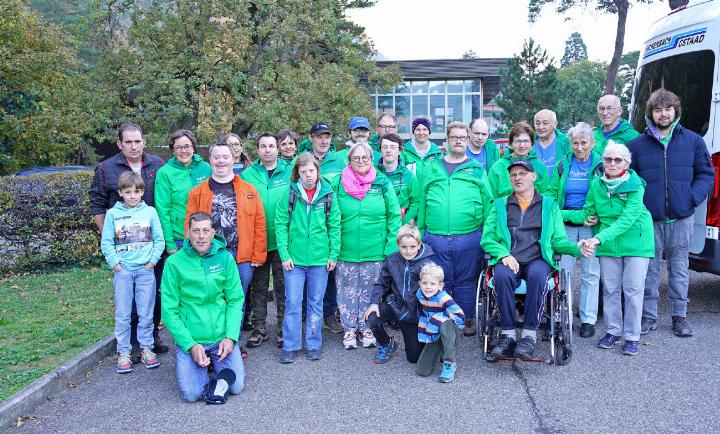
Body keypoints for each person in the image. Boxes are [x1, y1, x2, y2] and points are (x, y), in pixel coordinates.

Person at [628, 88, 715, 337]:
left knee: (679, 268)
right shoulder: (637, 145)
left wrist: (691, 198)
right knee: (650, 269)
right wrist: (640, 205)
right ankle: (649, 317)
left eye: (668, 109)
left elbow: (707, 174)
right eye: (658, 109)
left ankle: (680, 317)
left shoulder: (693, 141)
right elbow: (629, 180)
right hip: (649, 219)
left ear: (675, 111)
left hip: (681, 217)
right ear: (651, 113)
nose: (663, 114)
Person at [481, 160, 584, 360]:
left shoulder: (549, 205)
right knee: (501, 275)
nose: (518, 178)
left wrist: (575, 248)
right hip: (509, 258)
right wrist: (503, 254)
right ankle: (508, 335)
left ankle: (528, 336)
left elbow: (558, 240)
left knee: (538, 275)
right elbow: (487, 238)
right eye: (513, 175)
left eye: (522, 173)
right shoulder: (501, 204)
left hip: (538, 258)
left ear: (533, 177)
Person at [564, 143, 655, 355]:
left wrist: (597, 238)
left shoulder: (635, 185)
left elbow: (627, 220)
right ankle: (613, 331)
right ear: (602, 161)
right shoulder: (597, 184)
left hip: (636, 242)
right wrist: (553, 212)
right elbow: (587, 212)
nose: (612, 164)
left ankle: (632, 336)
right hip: (608, 243)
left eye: (617, 160)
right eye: (608, 159)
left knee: (633, 290)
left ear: (626, 163)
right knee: (610, 289)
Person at [89, 122, 166, 359]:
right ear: (120, 144)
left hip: (151, 244)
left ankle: (150, 338)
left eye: (137, 141)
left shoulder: (157, 165)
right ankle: (129, 343)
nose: (134, 146)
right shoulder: (106, 168)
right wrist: (108, 238)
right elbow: (97, 202)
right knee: (126, 300)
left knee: (152, 294)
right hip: (124, 249)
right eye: (128, 142)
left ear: (144, 141)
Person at [185, 141, 267, 356]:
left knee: (235, 300)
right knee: (211, 298)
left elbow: (259, 223)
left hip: (241, 256)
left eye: (225, 157)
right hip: (211, 255)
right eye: (216, 157)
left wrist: (258, 253)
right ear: (210, 160)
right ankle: (211, 343)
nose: (221, 161)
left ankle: (233, 342)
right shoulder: (197, 193)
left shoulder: (249, 190)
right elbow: (190, 225)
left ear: (233, 159)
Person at [417, 121, 492, 337]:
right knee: (439, 280)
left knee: (466, 281)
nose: (458, 140)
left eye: (462, 137)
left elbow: (488, 204)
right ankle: (441, 319)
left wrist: (487, 235)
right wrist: (421, 232)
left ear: (467, 140)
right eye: (454, 137)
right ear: (447, 141)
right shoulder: (432, 167)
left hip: (468, 237)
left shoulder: (477, 170)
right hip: (435, 237)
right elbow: (423, 201)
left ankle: (466, 318)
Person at [161, 212, 245, 402]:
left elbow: (235, 300)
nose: (201, 236)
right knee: (192, 394)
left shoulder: (225, 258)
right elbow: (169, 311)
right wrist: (190, 345)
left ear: (213, 233)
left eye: (206, 231)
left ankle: (214, 370)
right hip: (193, 339)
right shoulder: (174, 263)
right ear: (188, 233)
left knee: (237, 386)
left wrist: (231, 337)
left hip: (220, 337)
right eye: (196, 231)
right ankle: (203, 369)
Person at [333, 142, 401, 350]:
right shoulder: (338, 182)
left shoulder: (381, 182)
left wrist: (391, 248)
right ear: (349, 161)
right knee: (346, 291)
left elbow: (394, 215)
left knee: (371, 291)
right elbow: (332, 217)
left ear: (372, 160)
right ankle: (349, 329)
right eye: (356, 158)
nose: (361, 162)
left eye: (365, 158)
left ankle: (368, 327)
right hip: (346, 248)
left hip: (375, 249)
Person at [274, 153, 341, 363]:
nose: (308, 175)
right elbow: (280, 225)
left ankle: (314, 343)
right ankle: (290, 345)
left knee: (315, 303)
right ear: (298, 173)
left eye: (311, 171)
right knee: (293, 303)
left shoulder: (328, 194)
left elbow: (335, 227)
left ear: (317, 171)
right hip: (294, 260)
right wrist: (284, 254)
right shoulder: (290, 194)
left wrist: (333, 255)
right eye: (303, 172)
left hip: (320, 260)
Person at [101, 171, 164, 373]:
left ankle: (146, 348)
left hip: (146, 271)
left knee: (146, 313)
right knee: (123, 314)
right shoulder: (112, 214)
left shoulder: (150, 212)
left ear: (142, 192)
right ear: (120, 193)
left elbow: (159, 240)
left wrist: (151, 262)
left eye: (137, 192)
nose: (133, 196)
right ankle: (124, 351)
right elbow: (107, 243)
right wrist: (117, 265)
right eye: (128, 192)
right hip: (124, 272)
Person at [546, 122, 603, 338]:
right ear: (570, 143)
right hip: (565, 223)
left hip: (591, 224)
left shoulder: (600, 164)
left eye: (584, 143)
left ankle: (588, 319)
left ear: (592, 143)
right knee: (563, 272)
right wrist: (563, 214)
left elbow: (605, 193)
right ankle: (562, 315)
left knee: (590, 272)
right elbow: (551, 193)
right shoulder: (563, 164)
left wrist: (596, 214)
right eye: (575, 143)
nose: (579, 147)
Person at [241, 133, 292, 348]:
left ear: (278, 149)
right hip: (257, 239)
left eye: (272, 146)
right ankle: (259, 327)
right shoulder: (247, 175)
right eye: (263, 146)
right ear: (258, 149)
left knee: (282, 286)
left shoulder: (289, 172)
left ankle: (283, 328)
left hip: (283, 239)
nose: (268, 150)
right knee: (259, 286)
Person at [365, 224, 435, 364]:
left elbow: (435, 289)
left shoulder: (427, 263)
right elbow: (381, 283)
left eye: (412, 247)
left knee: (414, 358)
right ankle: (386, 344)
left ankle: (429, 346)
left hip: (415, 312)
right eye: (404, 247)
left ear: (419, 244)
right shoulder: (392, 260)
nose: (408, 251)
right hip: (395, 304)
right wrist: (374, 303)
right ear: (398, 245)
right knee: (371, 318)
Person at [154, 130, 212, 255]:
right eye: (179, 147)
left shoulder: (206, 168)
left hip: (205, 235)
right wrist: (170, 243)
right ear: (173, 150)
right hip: (179, 236)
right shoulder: (165, 173)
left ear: (193, 148)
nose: (184, 151)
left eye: (187, 146)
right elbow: (163, 211)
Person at [415, 263, 465, 383]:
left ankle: (449, 362)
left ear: (440, 285)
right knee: (422, 371)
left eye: (433, 284)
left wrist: (436, 319)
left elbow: (460, 316)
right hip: (434, 333)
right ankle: (440, 351)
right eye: (425, 283)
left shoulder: (444, 298)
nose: (428, 287)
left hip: (451, 332)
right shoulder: (419, 294)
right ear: (419, 284)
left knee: (445, 323)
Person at [488, 121, 549, 198]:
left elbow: (545, 197)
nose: (522, 145)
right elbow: (491, 198)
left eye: (526, 141)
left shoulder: (540, 167)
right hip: (505, 208)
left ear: (532, 143)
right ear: (510, 143)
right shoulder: (497, 167)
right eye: (518, 141)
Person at [376, 133, 421, 224]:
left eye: (393, 147)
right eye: (385, 147)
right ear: (380, 150)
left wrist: (404, 223)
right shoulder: (373, 174)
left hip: (401, 224)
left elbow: (415, 203)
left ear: (400, 151)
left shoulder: (410, 176)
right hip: (378, 224)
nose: (388, 150)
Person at [403, 116, 444, 182]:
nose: (421, 133)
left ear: (429, 132)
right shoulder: (404, 152)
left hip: (431, 191)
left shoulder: (437, 153)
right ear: (413, 131)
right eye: (418, 129)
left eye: (425, 129)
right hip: (411, 191)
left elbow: (441, 178)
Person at [533, 109, 571, 178]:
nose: (541, 127)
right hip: (534, 187)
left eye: (545, 123)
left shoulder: (566, 141)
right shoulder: (528, 142)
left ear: (555, 124)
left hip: (558, 186)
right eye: (537, 123)